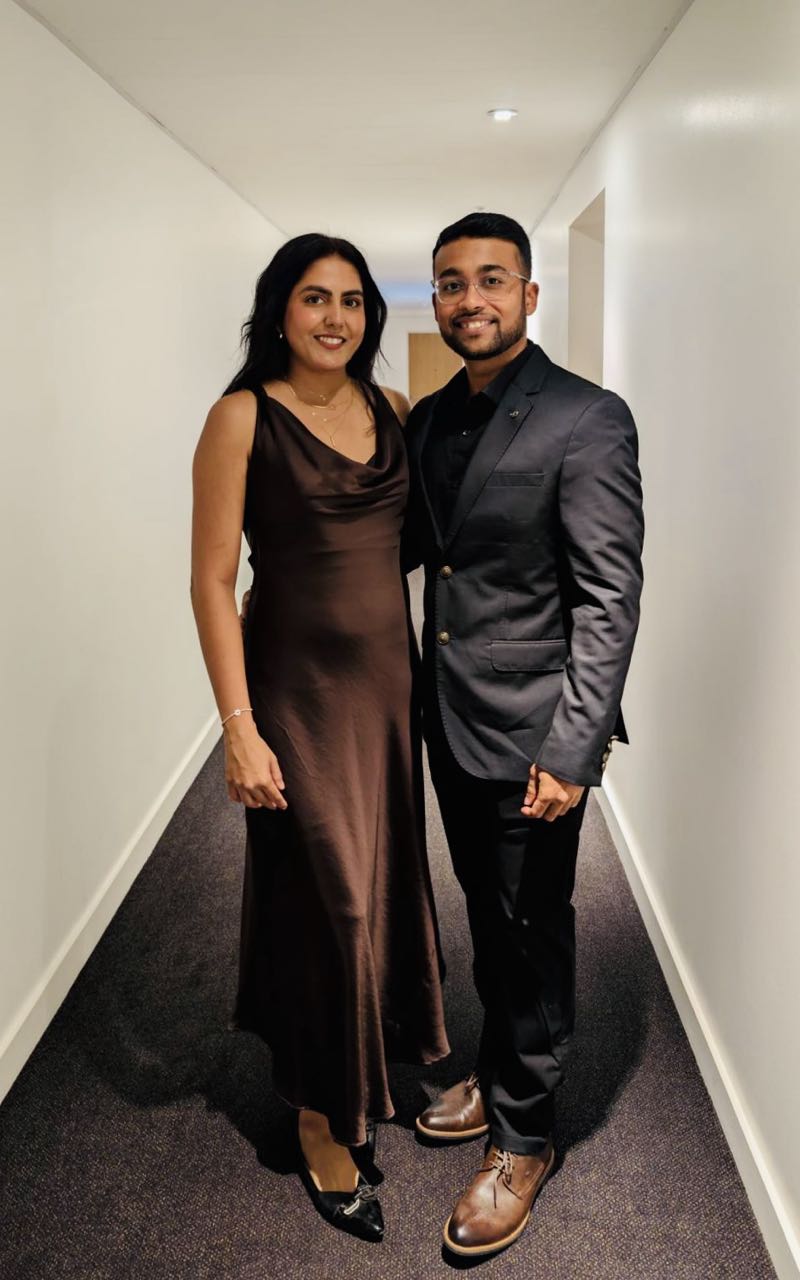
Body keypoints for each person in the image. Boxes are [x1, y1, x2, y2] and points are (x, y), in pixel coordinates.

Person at [190, 233, 449, 1243]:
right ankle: (315, 1112)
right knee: (327, 900)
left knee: (379, 884)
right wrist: (238, 728)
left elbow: (419, 542)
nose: (335, 317)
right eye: (314, 297)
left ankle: (368, 1062)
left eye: (351, 300)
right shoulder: (241, 417)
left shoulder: (393, 411)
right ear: (279, 309)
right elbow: (213, 579)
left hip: (385, 692)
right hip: (292, 694)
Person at [404, 212, 644, 1258]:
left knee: (531, 927)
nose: (471, 299)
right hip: (450, 717)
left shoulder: (587, 418)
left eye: (492, 279)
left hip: (536, 734)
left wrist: (572, 749)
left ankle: (524, 1138)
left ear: (530, 294)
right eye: (451, 282)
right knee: (487, 913)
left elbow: (608, 598)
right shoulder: (427, 419)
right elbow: (418, 548)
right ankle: (498, 1071)